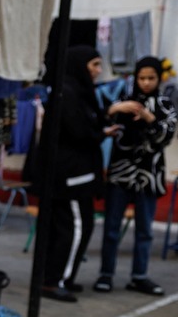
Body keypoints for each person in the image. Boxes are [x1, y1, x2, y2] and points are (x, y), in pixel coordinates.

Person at [94, 56, 177, 295]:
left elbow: (166, 138)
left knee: (145, 230)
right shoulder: (122, 101)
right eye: (142, 78)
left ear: (159, 78)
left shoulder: (164, 105)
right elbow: (98, 124)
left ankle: (139, 276)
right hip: (120, 173)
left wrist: (151, 119)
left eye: (151, 78)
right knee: (111, 227)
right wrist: (113, 109)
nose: (146, 83)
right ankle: (106, 274)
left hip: (149, 175)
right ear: (136, 78)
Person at [39, 45, 114, 302]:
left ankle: (62, 277)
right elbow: (79, 131)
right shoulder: (68, 93)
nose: (97, 70)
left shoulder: (79, 92)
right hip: (69, 176)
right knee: (75, 227)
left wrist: (106, 118)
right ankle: (54, 281)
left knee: (77, 226)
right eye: (94, 64)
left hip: (78, 174)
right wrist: (102, 132)